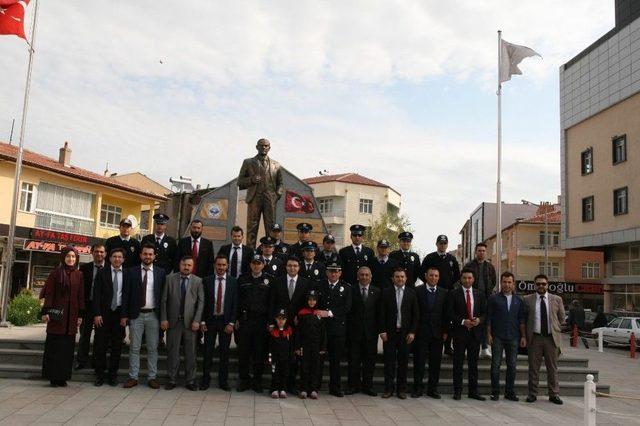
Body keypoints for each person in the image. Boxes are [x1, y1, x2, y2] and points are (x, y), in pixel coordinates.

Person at [121, 243, 167, 389]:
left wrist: (163, 317)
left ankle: (152, 377)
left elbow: (163, 297)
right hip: (136, 315)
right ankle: (133, 377)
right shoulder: (131, 272)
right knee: (134, 347)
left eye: (150, 254)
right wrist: (124, 315)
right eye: (145, 254)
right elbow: (126, 295)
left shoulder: (161, 273)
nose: (148, 256)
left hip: (153, 315)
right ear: (140, 255)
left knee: (153, 348)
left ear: (154, 256)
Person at [40, 246, 84, 387]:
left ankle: (63, 376)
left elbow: (80, 296)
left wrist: (80, 315)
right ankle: (53, 377)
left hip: (71, 318)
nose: (71, 259)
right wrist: (46, 311)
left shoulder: (79, 274)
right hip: (57, 317)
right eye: (68, 256)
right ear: (63, 257)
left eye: (73, 257)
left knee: (67, 349)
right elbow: (50, 293)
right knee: (55, 348)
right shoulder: (56, 273)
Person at [270, 255, 313, 393]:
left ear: (299, 268)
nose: (292, 268)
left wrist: (300, 317)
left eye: (295, 266)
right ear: (286, 267)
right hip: (280, 324)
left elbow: (307, 304)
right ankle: (277, 384)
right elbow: (272, 303)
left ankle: (290, 385)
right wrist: (272, 321)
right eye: (290, 266)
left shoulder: (305, 283)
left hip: (297, 324)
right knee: (280, 355)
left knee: (294, 355)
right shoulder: (277, 281)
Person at [161, 256, 204, 391]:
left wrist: (197, 320)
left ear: (193, 267)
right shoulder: (170, 279)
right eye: (184, 265)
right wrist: (164, 318)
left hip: (191, 323)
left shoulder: (198, 281)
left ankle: (190, 380)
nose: (186, 267)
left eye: (189, 265)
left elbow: (201, 302)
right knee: (172, 351)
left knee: (190, 352)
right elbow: (164, 300)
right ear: (180, 265)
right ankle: (172, 379)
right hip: (174, 322)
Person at [523, 274, 565, 405]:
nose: (541, 286)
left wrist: (555, 328)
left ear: (547, 285)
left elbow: (562, 318)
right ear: (534, 285)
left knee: (552, 368)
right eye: (538, 284)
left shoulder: (557, 299)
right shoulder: (527, 299)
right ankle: (532, 394)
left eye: (543, 284)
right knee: (533, 368)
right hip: (534, 338)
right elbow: (524, 319)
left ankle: (554, 394)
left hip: (551, 338)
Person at [237, 138, 285, 248]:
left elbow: (280, 184)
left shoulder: (276, 165)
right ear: (257, 147)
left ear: (269, 148)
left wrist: (277, 195)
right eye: (261, 145)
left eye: (266, 146)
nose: (264, 147)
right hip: (255, 197)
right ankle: (250, 251)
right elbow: (240, 182)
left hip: (270, 198)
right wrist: (251, 180)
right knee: (252, 226)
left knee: (271, 227)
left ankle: (270, 250)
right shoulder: (248, 162)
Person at [447, 267, 486, 401]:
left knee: (473, 364)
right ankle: (457, 391)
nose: (467, 280)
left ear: (473, 279)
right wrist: (463, 321)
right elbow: (450, 313)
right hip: (459, 333)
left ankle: (473, 391)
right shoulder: (453, 294)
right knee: (458, 363)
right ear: (461, 279)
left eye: (470, 278)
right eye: (464, 278)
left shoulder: (480, 294)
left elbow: (485, 314)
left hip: (475, 334)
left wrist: (479, 320)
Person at [379, 268, 419, 399]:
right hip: (389, 334)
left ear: (406, 278)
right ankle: (388, 389)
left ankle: (401, 390)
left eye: (402, 277)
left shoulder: (412, 293)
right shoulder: (385, 293)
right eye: (397, 277)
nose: (400, 279)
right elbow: (381, 313)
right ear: (393, 278)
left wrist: (412, 332)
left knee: (403, 363)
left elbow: (416, 315)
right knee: (389, 363)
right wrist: (382, 331)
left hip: (405, 334)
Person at [200, 255, 237, 391]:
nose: (221, 267)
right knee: (208, 352)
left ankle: (223, 381)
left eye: (223, 265)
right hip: (210, 321)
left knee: (224, 352)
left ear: (227, 266)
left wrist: (232, 323)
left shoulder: (233, 282)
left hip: (225, 322)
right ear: (215, 265)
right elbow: (202, 302)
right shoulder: (206, 281)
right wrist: (202, 321)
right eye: (218, 265)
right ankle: (205, 380)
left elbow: (235, 304)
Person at [487, 271, 526, 401]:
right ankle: (495, 392)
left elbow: (521, 320)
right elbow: (489, 319)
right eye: (504, 282)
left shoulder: (519, 300)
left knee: (512, 366)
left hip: (514, 337)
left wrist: (523, 336)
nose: (507, 284)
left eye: (509, 282)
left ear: (513, 284)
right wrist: (488, 335)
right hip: (497, 336)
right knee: (495, 365)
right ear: (501, 283)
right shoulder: (493, 298)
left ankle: (509, 392)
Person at [236, 255, 273, 393]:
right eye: (254, 263)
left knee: (259, 353)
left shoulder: (269, 280)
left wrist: (270, 322)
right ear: (250, 265)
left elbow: (271, 303)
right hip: (245, 321)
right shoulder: (243, 279)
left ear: (263, 265)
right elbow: (237, 300)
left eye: (259, 263)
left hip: (261, 322)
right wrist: (237, 318)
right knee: (243, 352)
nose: (256, 266)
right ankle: (244, 380)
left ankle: (257, 381)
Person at [93, 248, 128, 386]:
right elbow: (96, 295)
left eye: (120, 257)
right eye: (114, 256)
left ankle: (112, 375)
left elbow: (127, 297)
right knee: (100, 346)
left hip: (119, 315)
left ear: (123, 259)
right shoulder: (102, 273)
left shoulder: (127, 274)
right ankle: (100, 375)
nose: (117, 259)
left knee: (116, 347)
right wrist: (96, 313)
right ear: (110, 258)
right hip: (103, 314)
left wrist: (125, 316)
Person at [412, 267, 448, 399]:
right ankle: (417, 388)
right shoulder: (417, 291)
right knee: (419, 362)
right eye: (431, 275)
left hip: (437, 333)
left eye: (436, 276)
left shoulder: (444, 292)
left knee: (435, 363)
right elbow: (414, 313)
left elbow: (446, 314)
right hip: (421, 332)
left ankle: (432, 389)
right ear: (426, 276)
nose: (433, 278)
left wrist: (445, 331)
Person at [421, 234, 460, 356]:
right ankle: (427, 346)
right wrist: (429, 285)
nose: (442, 246)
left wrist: (449, 285)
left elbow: (457, 275)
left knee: (447, 319)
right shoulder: (430, 257)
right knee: (430, 318)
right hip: (432, 292)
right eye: (440, 243)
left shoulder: (451, 259)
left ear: (447, 245)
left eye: (444, 243)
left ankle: (448, 346)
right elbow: (422, 272)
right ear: (436, 244)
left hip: (447, 293)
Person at [346, 266, 381, 396]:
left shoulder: (377, 292)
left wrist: (379, 330)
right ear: (357, 276)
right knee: (353, 361)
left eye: (367, 275)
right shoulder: (351, 290)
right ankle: (352, 386)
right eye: (362, 275)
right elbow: (348, 311)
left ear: (371, 277)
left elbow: (379, 313)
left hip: (371, 333)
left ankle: (368, 386)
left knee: (369, 362)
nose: (364, 277)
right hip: (354, 332)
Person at [319, 261, 352, 397]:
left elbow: (347, 307)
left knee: (335, 360)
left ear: (340, 273)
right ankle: (315, 385)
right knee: (318, 358)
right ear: (327, 272)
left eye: (336, 271)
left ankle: (335, 387)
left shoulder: (347, 288)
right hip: (320, 328)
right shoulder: (319, 285)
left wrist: (330, 313)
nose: (333, 273)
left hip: (337, 329)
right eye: (331, 271)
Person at [75, 243, 106, 370]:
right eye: (96, 251)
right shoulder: (84, 269)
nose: (99, 254)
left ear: (105, 254)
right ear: (92, 253)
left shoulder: (109, 268)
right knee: (85, 334)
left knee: (100, 337)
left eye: (101, 252)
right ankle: (81, 361)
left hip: (102, 308)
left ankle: (96, 362)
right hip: (87, 306)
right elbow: (79, 290)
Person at [464, 242, 497, 358]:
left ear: (485, 252)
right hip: (472, 297)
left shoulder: (490, 266)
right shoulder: (469, 266)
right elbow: (464, 280)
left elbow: (494, 281)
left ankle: (484, 347)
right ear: (475, 252)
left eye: (483, 251)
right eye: (479, 250)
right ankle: (469, 347)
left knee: (483, 322)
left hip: (486, 298)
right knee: (471, 321)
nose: (481, 252)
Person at [295, 290, 325, 399]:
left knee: (315, 367)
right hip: (305, 344)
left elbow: (323, 332)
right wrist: (297, 346)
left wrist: (322, 347)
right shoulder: (302, 313)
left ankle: (313, 389)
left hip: (316, 345)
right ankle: (303, 388)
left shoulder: (319, 314)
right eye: (310, 300)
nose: (311, 302)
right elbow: (298, 331)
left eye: (314, 300)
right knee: (304, 367)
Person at [269, 309, 294, 399]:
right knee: (275, 373)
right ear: (275, 319)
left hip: (285, 357)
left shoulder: (289, 331)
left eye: (283, 319)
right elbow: (270, 347)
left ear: (286, 320)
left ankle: (283, 389)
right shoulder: (273, 332)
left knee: (284, 373)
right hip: (275, 357)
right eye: (279, 318)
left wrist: (291, 356)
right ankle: (274, 389)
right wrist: (270, 358)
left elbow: (291, 345)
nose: (281, 321)